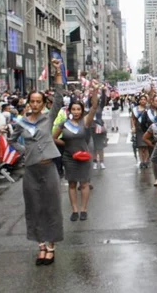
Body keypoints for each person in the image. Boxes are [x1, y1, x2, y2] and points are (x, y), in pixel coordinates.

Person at [8, 58, 64, 266]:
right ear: (28, 103)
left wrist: (57, 71)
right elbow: (12, 141)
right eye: (32, 101)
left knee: (52, 207)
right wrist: (26, 151)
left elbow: (59, 95)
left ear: (43, 103)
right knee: (34, 208)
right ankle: (40, 245)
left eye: (39, 101)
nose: (35, 104)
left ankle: (51, 245)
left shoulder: (48, 118)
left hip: (48, 168)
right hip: (30, 171)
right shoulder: (21, 122)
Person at [52, 82, 99, 222]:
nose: (76, 112)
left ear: (81, 110)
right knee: (72, 184)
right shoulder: (64, 123)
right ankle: (74, 210)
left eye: (79, 109)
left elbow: (94, 107)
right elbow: (53, 138)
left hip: (84, 156)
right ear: (70, 110)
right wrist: (66, 144)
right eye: (74, 109)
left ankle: (83, 209)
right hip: (69, 157)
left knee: (84, 184)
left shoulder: (85, 122)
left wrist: (95, 92)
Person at [131, 95, 150, 169]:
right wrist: (133, 127)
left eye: (144, 99)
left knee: (146, 146)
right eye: (141, 99)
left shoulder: (148, 109)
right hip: (138, 129)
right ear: (139, 101)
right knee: (140, 146)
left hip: (146, 129)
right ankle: (142, 161)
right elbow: (132, 119)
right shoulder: (135, 109)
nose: (143, 101)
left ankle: (145, 161)